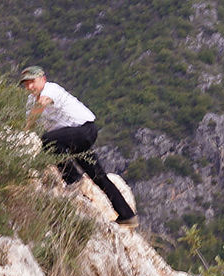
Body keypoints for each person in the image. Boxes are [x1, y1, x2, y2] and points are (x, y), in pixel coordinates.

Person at [20, 66, 138, 227]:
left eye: (32, 82)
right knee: (99, 177)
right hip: (70, 139)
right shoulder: (30, 102)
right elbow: (31, 124)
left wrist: (30, 121)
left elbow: (44, 102)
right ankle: (127, 216)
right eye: (26, 84)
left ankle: (73, 179)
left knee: (46, 140)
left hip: (84, 131)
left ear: (43, 79)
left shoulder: (51, 89)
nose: (29, 87)